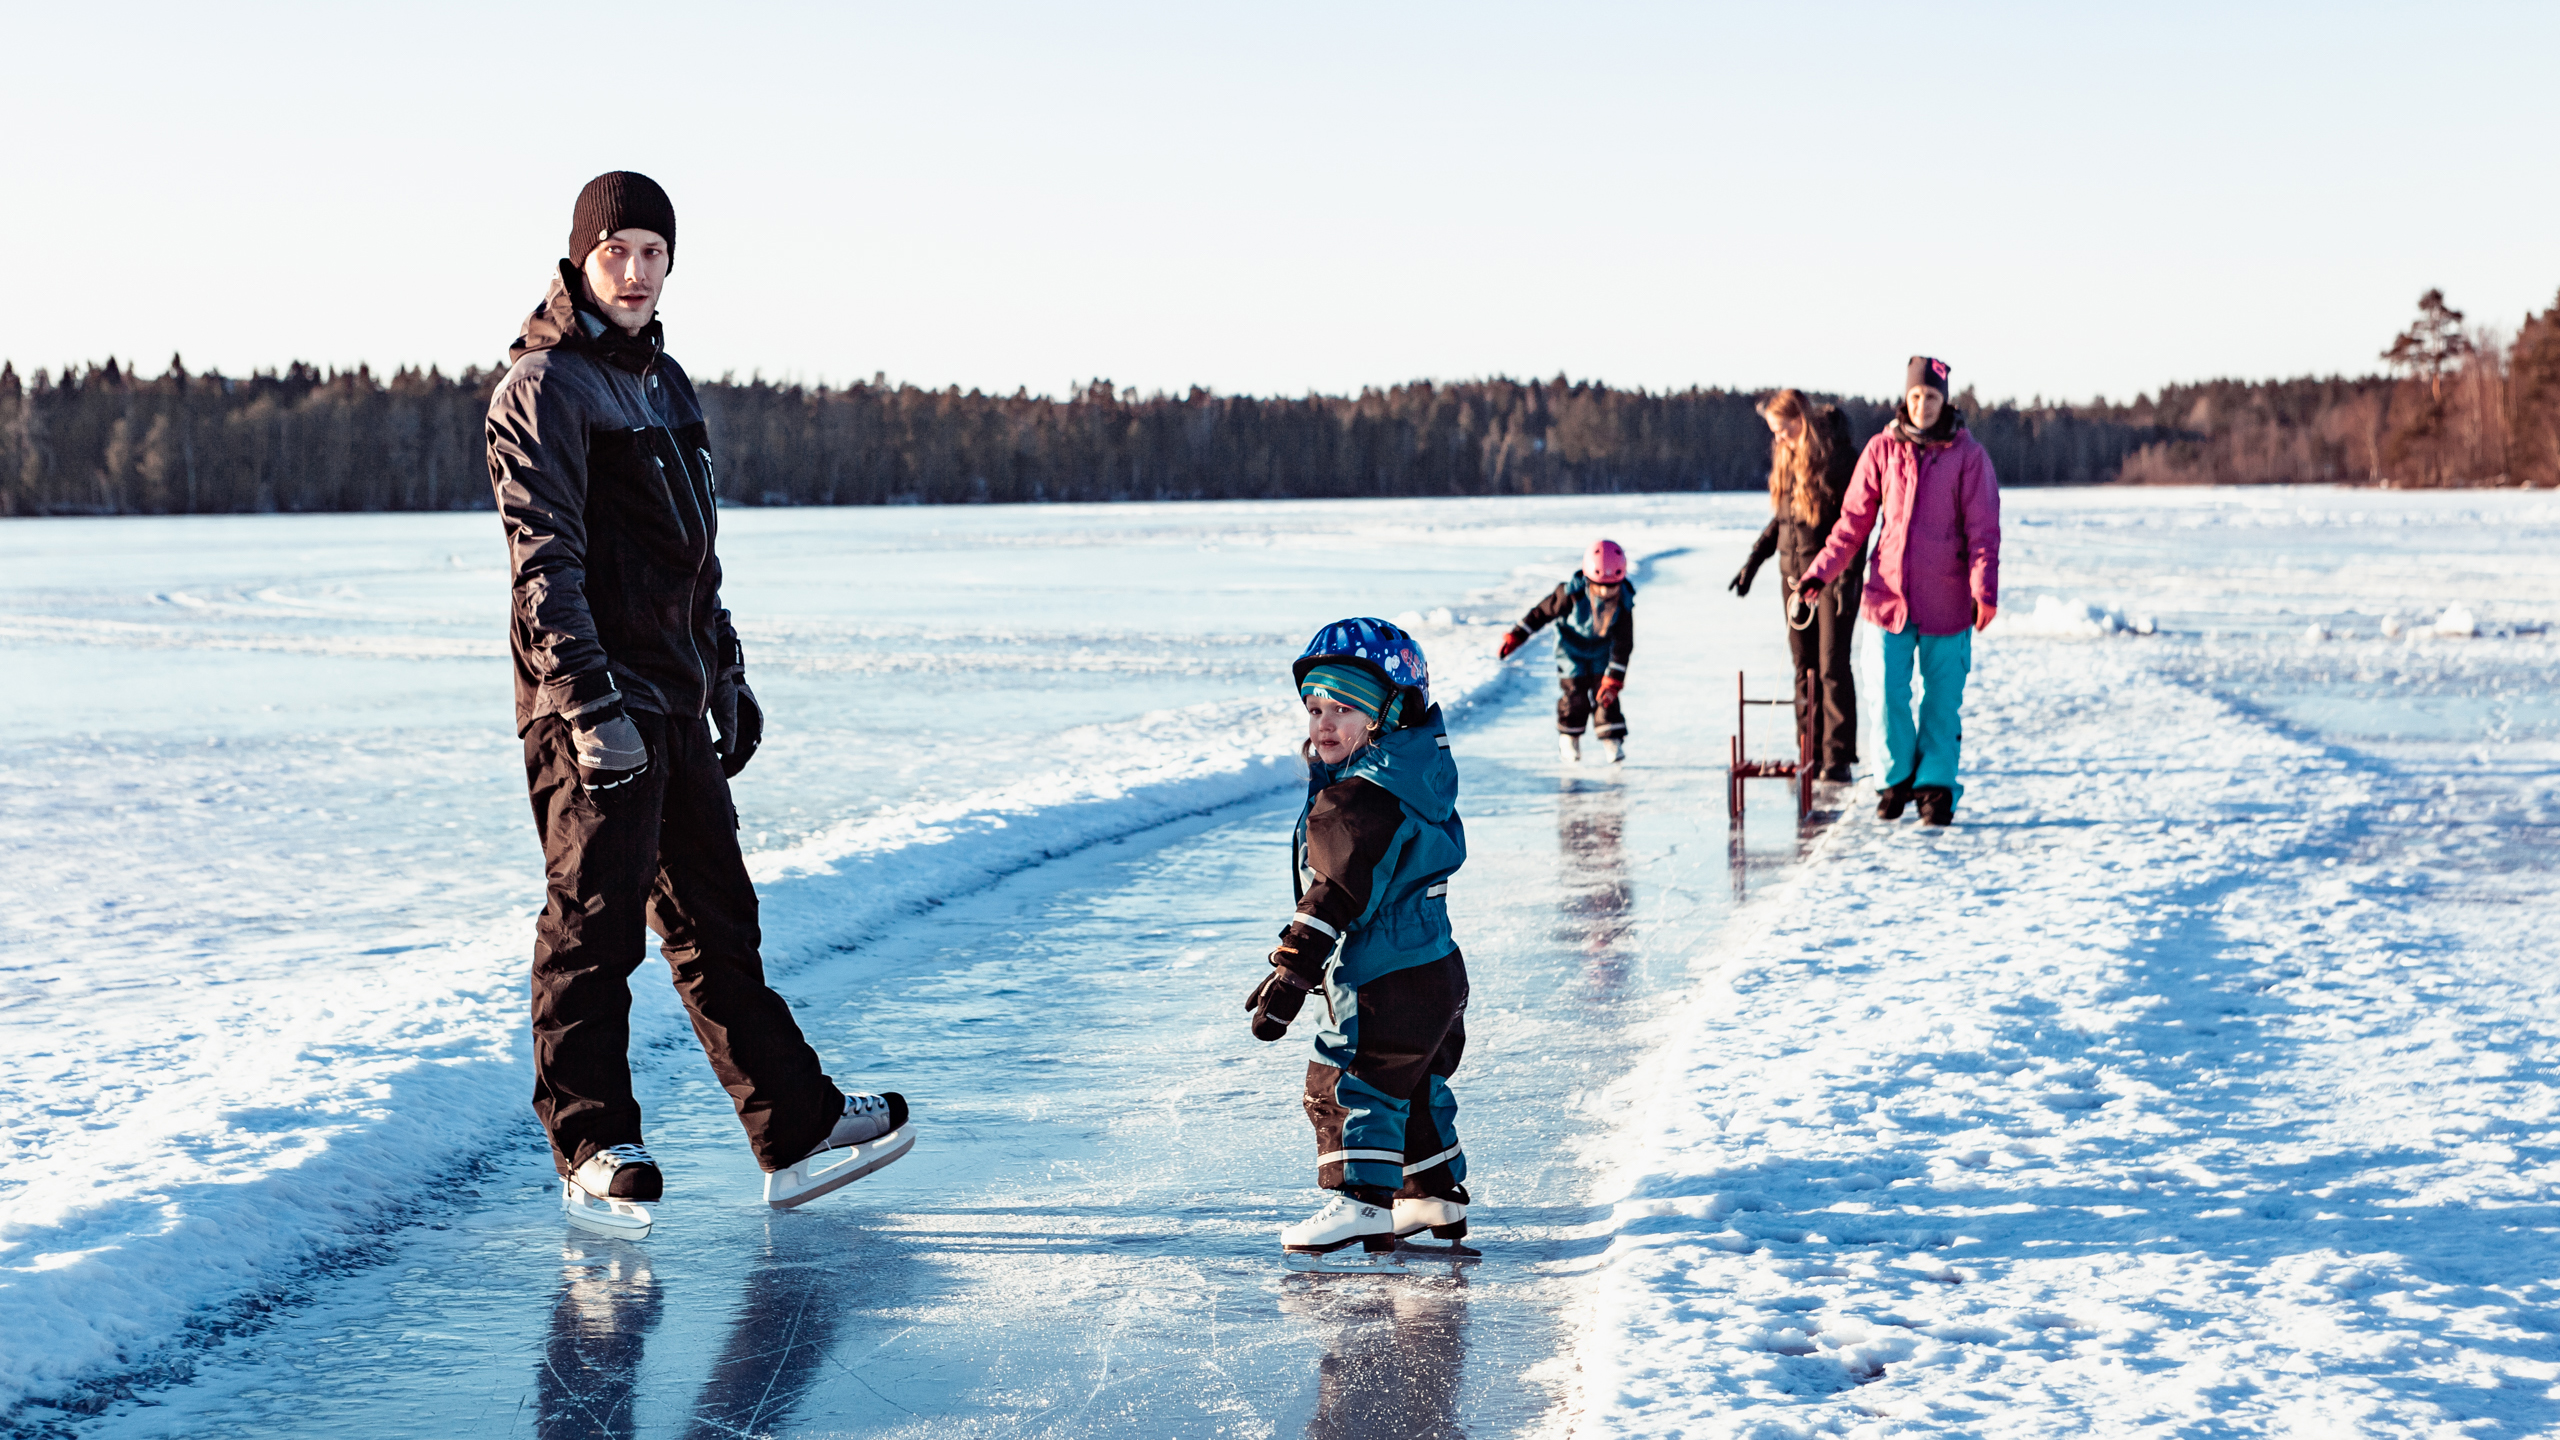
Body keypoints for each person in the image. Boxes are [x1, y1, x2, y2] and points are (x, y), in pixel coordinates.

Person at [486, 170, 913, 1234]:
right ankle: (590, 1141)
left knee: (719, 927)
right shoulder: (542, 388)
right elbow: (547, 566)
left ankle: (797, 1127)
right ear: (580, 258)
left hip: (673, 701)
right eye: (617, 250)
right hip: (591, 708)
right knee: (592, 929)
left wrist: (725, 672)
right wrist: (590, 709)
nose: (634, 272)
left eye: (653, 254)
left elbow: (695, 563)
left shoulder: (663, 383)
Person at [1246, 618, 1472, 1264]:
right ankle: (1432, 1193)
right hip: (1434, 967)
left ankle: (1360, 1201)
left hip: (1383, 976)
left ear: (1385, 714)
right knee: (1413, 1082)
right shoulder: (1414, 778)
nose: (1323, 724)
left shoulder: (1359, 802)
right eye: (1315, 707)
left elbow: (1335, 894)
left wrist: (1292, 971)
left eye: (1344, 708)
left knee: (1347, 1079)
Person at [1798, 356, 2001, 827]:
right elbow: (1851, 525)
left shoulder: (1969, 458)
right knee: (1885, 694)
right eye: (1915, 396)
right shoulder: (1882, 450)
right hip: (1886, 599)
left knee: (1940, 700)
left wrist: (1983, 590)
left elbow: (1984, 532)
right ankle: (1893, 780)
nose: (1923, 405)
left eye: (1931, 397)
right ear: (1905, 399)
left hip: (1947, 603)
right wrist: (1818, 574)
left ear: (1943, 401)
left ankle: (1935, 786)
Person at [1729, 389, 1863, 782]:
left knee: (1831, 666)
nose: (1779, 440)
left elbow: (1854, 525)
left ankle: (1836, 758)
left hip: (1831, 580)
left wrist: (1845, 579)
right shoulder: (1789, 461)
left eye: (1784, 430)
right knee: (1803, 668)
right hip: (1793, 581)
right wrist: (1753, 561)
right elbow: (1784, 523)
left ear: (1802, 421)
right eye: (1774, 433)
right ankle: (1811, 752)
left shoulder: (1837, 461)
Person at [1498, 540, 1635, 763]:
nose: (1605, 592)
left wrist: (1614, 680)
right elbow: (1540, 614)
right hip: (1570, 651)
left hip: (1601, 653)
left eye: (1612, 587)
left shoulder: (1624, 605)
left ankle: (1612, 739)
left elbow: (1624, 645)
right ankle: (1568, 739)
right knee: (1575, 696)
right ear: (1587, 578)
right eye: (1598, 585)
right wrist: (1517, 635)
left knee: (1606, 696)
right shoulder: (1569, 593)